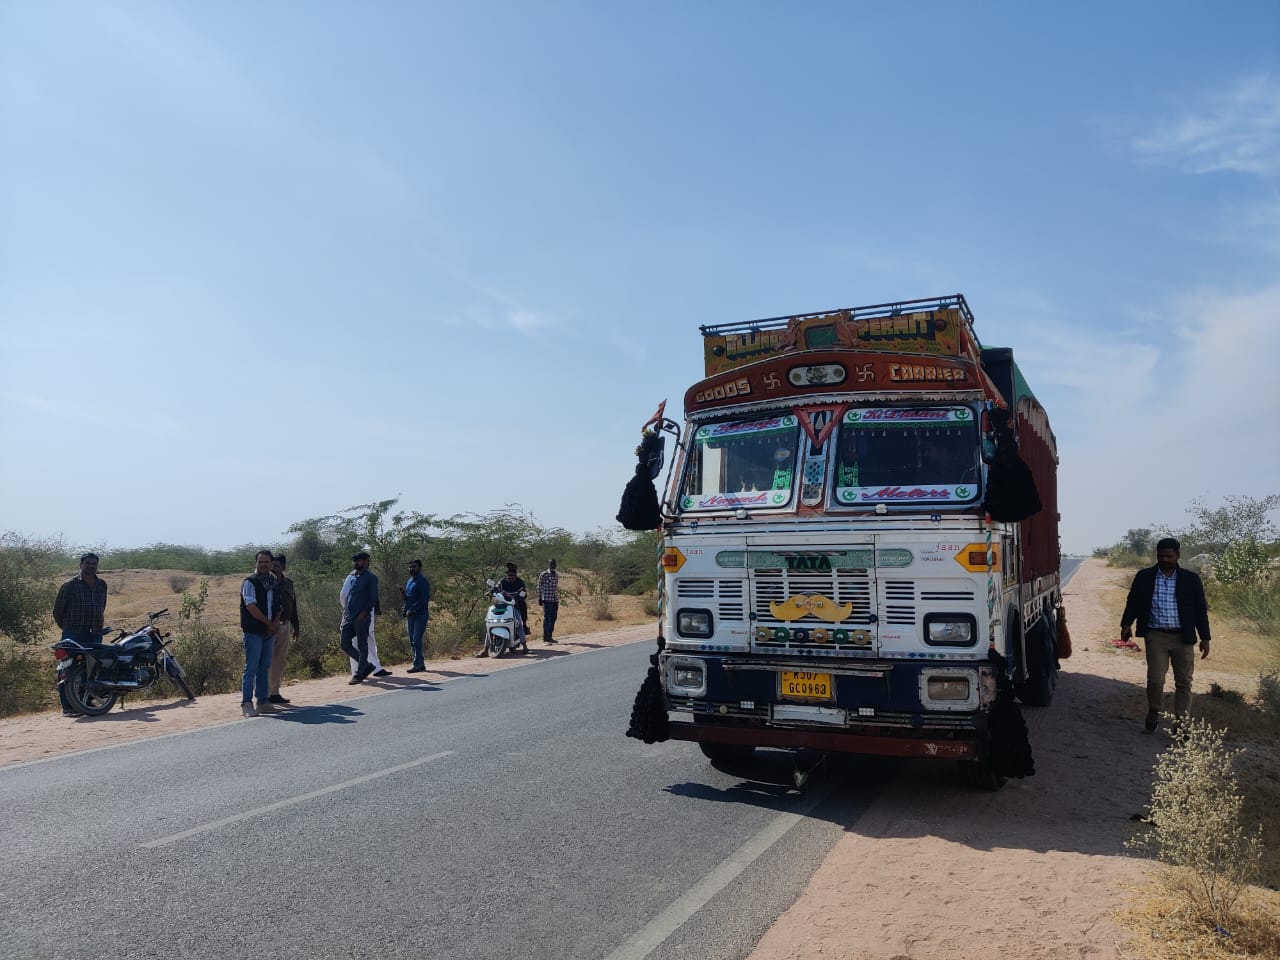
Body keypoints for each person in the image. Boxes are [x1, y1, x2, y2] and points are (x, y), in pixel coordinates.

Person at [1120, 537, 1211, 733]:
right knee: (1155, 679)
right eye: (1161, 556)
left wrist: (1205, 638)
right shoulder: (1144, 576)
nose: (1164, 559)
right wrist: (1126, 624)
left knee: (1184, 682)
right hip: (1155, 635)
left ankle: (1181, 723)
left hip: (1183, 637)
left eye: (1169, 556)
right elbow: (1133, 602)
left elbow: (1200, 610)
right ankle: (1154, 710)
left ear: (1178, 555)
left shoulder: (1191, 579)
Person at [52, 552, 109, 717]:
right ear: (81, 564)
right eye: (88, 563)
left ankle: (87, 703)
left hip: (95, 634)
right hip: (73, 633)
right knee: (66, 668)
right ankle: (67, 707)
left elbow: (102, 606)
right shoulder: (69, 585)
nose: (91, 566)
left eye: (94, 563)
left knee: (92, 670)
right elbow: (57, 611)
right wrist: (67, 627)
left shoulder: (102, 585)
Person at [240, 550, 282, 718]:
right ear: (256, 563)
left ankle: (263, 702)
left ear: (271, 564)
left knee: (264, 667)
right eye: (260, 562)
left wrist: (275, 624)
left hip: (269, 632)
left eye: (266, 562)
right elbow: (250, 606)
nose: (263, 564)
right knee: (251, 668)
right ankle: (246, 703)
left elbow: (278, 606)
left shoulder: (274, 582)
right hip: (254, 631)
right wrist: (268, 623)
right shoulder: (250, 582)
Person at [341, 560, 391, 680]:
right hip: (352, 614)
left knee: (369, 640)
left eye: (360, 561)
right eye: (355, 561)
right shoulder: (351, 576)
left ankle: (375, 667)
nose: (357, 563)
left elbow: (374, 596)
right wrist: (348, 611)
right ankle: (357, 670)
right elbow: (343, 595)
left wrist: (373, 610)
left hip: (365, 613)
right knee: (353, 643)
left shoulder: (370, 577)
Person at [266, 553, 300, 705]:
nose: (273, 568)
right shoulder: (264, 582)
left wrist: (296, 627)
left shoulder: (288, 584)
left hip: (285, 625)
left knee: (279, 661)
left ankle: (274, 693)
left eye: (277, 565)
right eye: (272, 565)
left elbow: (293, 606)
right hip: (268, 626)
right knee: (266, 661)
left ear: (284, 567)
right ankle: (263, 693)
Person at [479, 562, 528, 657]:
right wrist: (489, 592)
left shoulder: (520, 582)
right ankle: (485, 650)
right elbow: (496, 588)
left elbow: (524, 593)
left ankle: (525, 647)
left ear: (515, 575)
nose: (510, 577)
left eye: (512, 575)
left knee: (518, 623)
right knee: (491, 623)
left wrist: (520, 597)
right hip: (502, 604)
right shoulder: (503, 581)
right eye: (508, 575)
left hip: (514, 606)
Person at [402, 558, 431, 672]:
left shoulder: (422, 581)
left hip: (420, 614)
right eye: (410, 567)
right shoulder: (409, 581)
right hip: (410, 615)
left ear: (419, 568)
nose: (411, 569)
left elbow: (424, 599)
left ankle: (417, 664)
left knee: (416, 640)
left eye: (414, 567)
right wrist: (405, 606)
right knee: (412, 640)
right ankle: (421, 663)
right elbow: (408, 599)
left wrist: (412, 609)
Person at [537, 559, 560, 644]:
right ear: (549, 565)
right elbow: (539, 586)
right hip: (546, 599)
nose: (553, 565)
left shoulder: (556, 575)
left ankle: (550, 636)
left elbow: (555, 587)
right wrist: (540, 597)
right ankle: (545, 637)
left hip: (555, 599)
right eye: (551, 564)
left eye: (554, 564)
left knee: (553, 618)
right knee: (547, 618)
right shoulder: (544, 574)